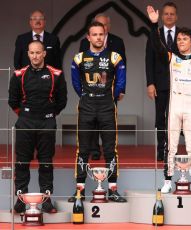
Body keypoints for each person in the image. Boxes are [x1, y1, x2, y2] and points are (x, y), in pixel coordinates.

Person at [147, 5, 191, 194]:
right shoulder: (171, 58)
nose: (181, 41)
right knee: (170, 145)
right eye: (179, 39)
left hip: (190, 108)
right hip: (173, 107)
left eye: (185, 39)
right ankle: (168, 179)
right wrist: (153, 24)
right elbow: (156, 45)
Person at [68, 21, 126, 203]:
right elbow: (76, 84)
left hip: (107, 105)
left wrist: (108, 96)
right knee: (83, 149)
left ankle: (113, 190)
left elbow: (121, 83)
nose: (98, 37)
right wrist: (88, 95)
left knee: (110, 149)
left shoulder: (115, 57)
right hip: (86, 105)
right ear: (88, 37)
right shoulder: (78, 58)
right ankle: (80, 190)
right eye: (94, 34)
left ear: (105, 35)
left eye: (101, 34)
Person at [8, 40, 67, 213]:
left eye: (38, 52)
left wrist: (48, 114)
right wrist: (27, 114)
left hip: (47, 122)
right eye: (32, 53)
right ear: (28, 54)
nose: (35, 56)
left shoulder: (56, 74)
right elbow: (13, 101)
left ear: (44, 54)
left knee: (46, 162)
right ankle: (20, 200)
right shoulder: (19, 74)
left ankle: (47, 201)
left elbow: (62, 101)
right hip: (25, 122)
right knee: (21, 162)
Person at [79, 13, 126, 161]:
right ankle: (94, 149)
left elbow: (123, 66)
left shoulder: (117, 41)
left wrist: (121, 88)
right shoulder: (83, 43)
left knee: (109, 123)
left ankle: (109, 151)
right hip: (89, 91)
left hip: (110, 90)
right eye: (98, 24)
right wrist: (82, 90)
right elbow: (80, 69)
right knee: (90, 124)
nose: (102, 28)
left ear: (108, 27)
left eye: (104, 25)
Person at [145, 2, 179, 161]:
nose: (169, 16)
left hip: (179, 83)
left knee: (176, 118)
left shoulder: (183, 33)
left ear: (176, 16)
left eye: (172, 13)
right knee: (161, 118)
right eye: (166, 13)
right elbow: (149, 60)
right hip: (160, 84)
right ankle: (161, 150)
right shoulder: (155, 33)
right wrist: (150, 83)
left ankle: (174, 149)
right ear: (162, 16)